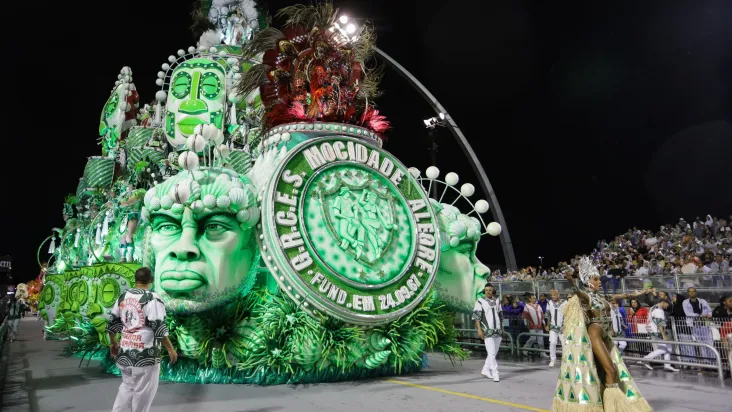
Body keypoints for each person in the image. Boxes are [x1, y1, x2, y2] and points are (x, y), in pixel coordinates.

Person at [552, 257, 651, 412]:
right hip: (595, 336)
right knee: (610, 370)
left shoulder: (601, 297)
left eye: (599, 279)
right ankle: (614, 407)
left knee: (604, 371)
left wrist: (635, 295)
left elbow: (618, 297)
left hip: (605, 337)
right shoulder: (587, 297)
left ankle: (605, 404)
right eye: (596, 279)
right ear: (589, 282)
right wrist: (571, 281)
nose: (599, 282)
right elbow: (577, 292)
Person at [108, 267, 177, 412]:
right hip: (145, 357)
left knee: (127, 388)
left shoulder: (123, 296)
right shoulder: (153, 299)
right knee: (143, 394)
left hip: (125, 353)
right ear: (151, 281)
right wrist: (170, 349)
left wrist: (113, 342)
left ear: (135, 280)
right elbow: (158, 326)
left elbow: (112, 322)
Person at [472, 283, 503, 382]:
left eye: (490, 290)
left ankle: (485, 369)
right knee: (491, 352)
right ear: (484, 291)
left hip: (497, 330)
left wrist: (502, 328)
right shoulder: (480, 301)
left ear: (493, 290)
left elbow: (500, 315)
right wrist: (479, 329)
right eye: (486, 290)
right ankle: (495, 373)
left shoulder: (497, 301)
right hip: (487, 330)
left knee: (493, 353)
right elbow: (477, 316)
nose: (488, 292)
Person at [641, 299, 679, 372]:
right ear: (663, 302)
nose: (666, 307)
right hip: (658, 331)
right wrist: (663, 334)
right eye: (666, 305)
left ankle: (667, 365)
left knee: (668, 347)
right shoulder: (658, 310)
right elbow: (659, 323)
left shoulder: (653, 307)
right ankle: (646, 359)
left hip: (653, 330)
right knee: (663, 349)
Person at [680, 287, 714, 364]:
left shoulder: (702, 301)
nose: (692, 293)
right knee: (701, 344)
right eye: (690, 291)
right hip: (694, 325)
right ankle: (706, 362)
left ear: (696, 292)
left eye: (693, 291)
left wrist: (709, 315)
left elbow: (709, 310)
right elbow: (687, 313)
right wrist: (700, 315)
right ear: (688, 293)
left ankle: (713, 361)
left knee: (709, 343)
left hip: (704, 324)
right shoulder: (685, 302)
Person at [522, 292, 547, 357]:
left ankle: (542, 353)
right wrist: (525, 323)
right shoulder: (527, 306)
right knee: (533, 338)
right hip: (532, 325)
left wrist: (544, 323)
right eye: (533, 298)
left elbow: (542, 315)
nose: (534, 299)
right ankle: (525, 349)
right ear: (530, 299)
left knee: (541, 339)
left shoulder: (538, 306)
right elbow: (524, 316)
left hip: (539, 325)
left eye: (535, 298)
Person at [545, 290, 565, 367]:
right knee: (552, 343)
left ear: (558, 295)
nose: (553, 296)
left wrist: (564, 326)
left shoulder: (565, 303)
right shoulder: (549, 303)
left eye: (555, 295)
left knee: (564, 344)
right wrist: (547, 325)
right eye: (552, 295)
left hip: (562, 327)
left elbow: (567, 315)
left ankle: (565, 360)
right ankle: (552, 359)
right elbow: (548, 314)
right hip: (553, 326)